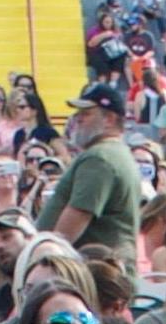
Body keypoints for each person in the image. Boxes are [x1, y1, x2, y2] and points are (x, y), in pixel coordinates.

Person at [46, 88, 145, 291]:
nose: (77, 119)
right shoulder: (113, 153)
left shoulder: (99, 158)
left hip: (92, 279)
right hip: (98, 275)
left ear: (109, 119)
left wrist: (44, 258)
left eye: (86, 113)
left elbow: (69, 228)